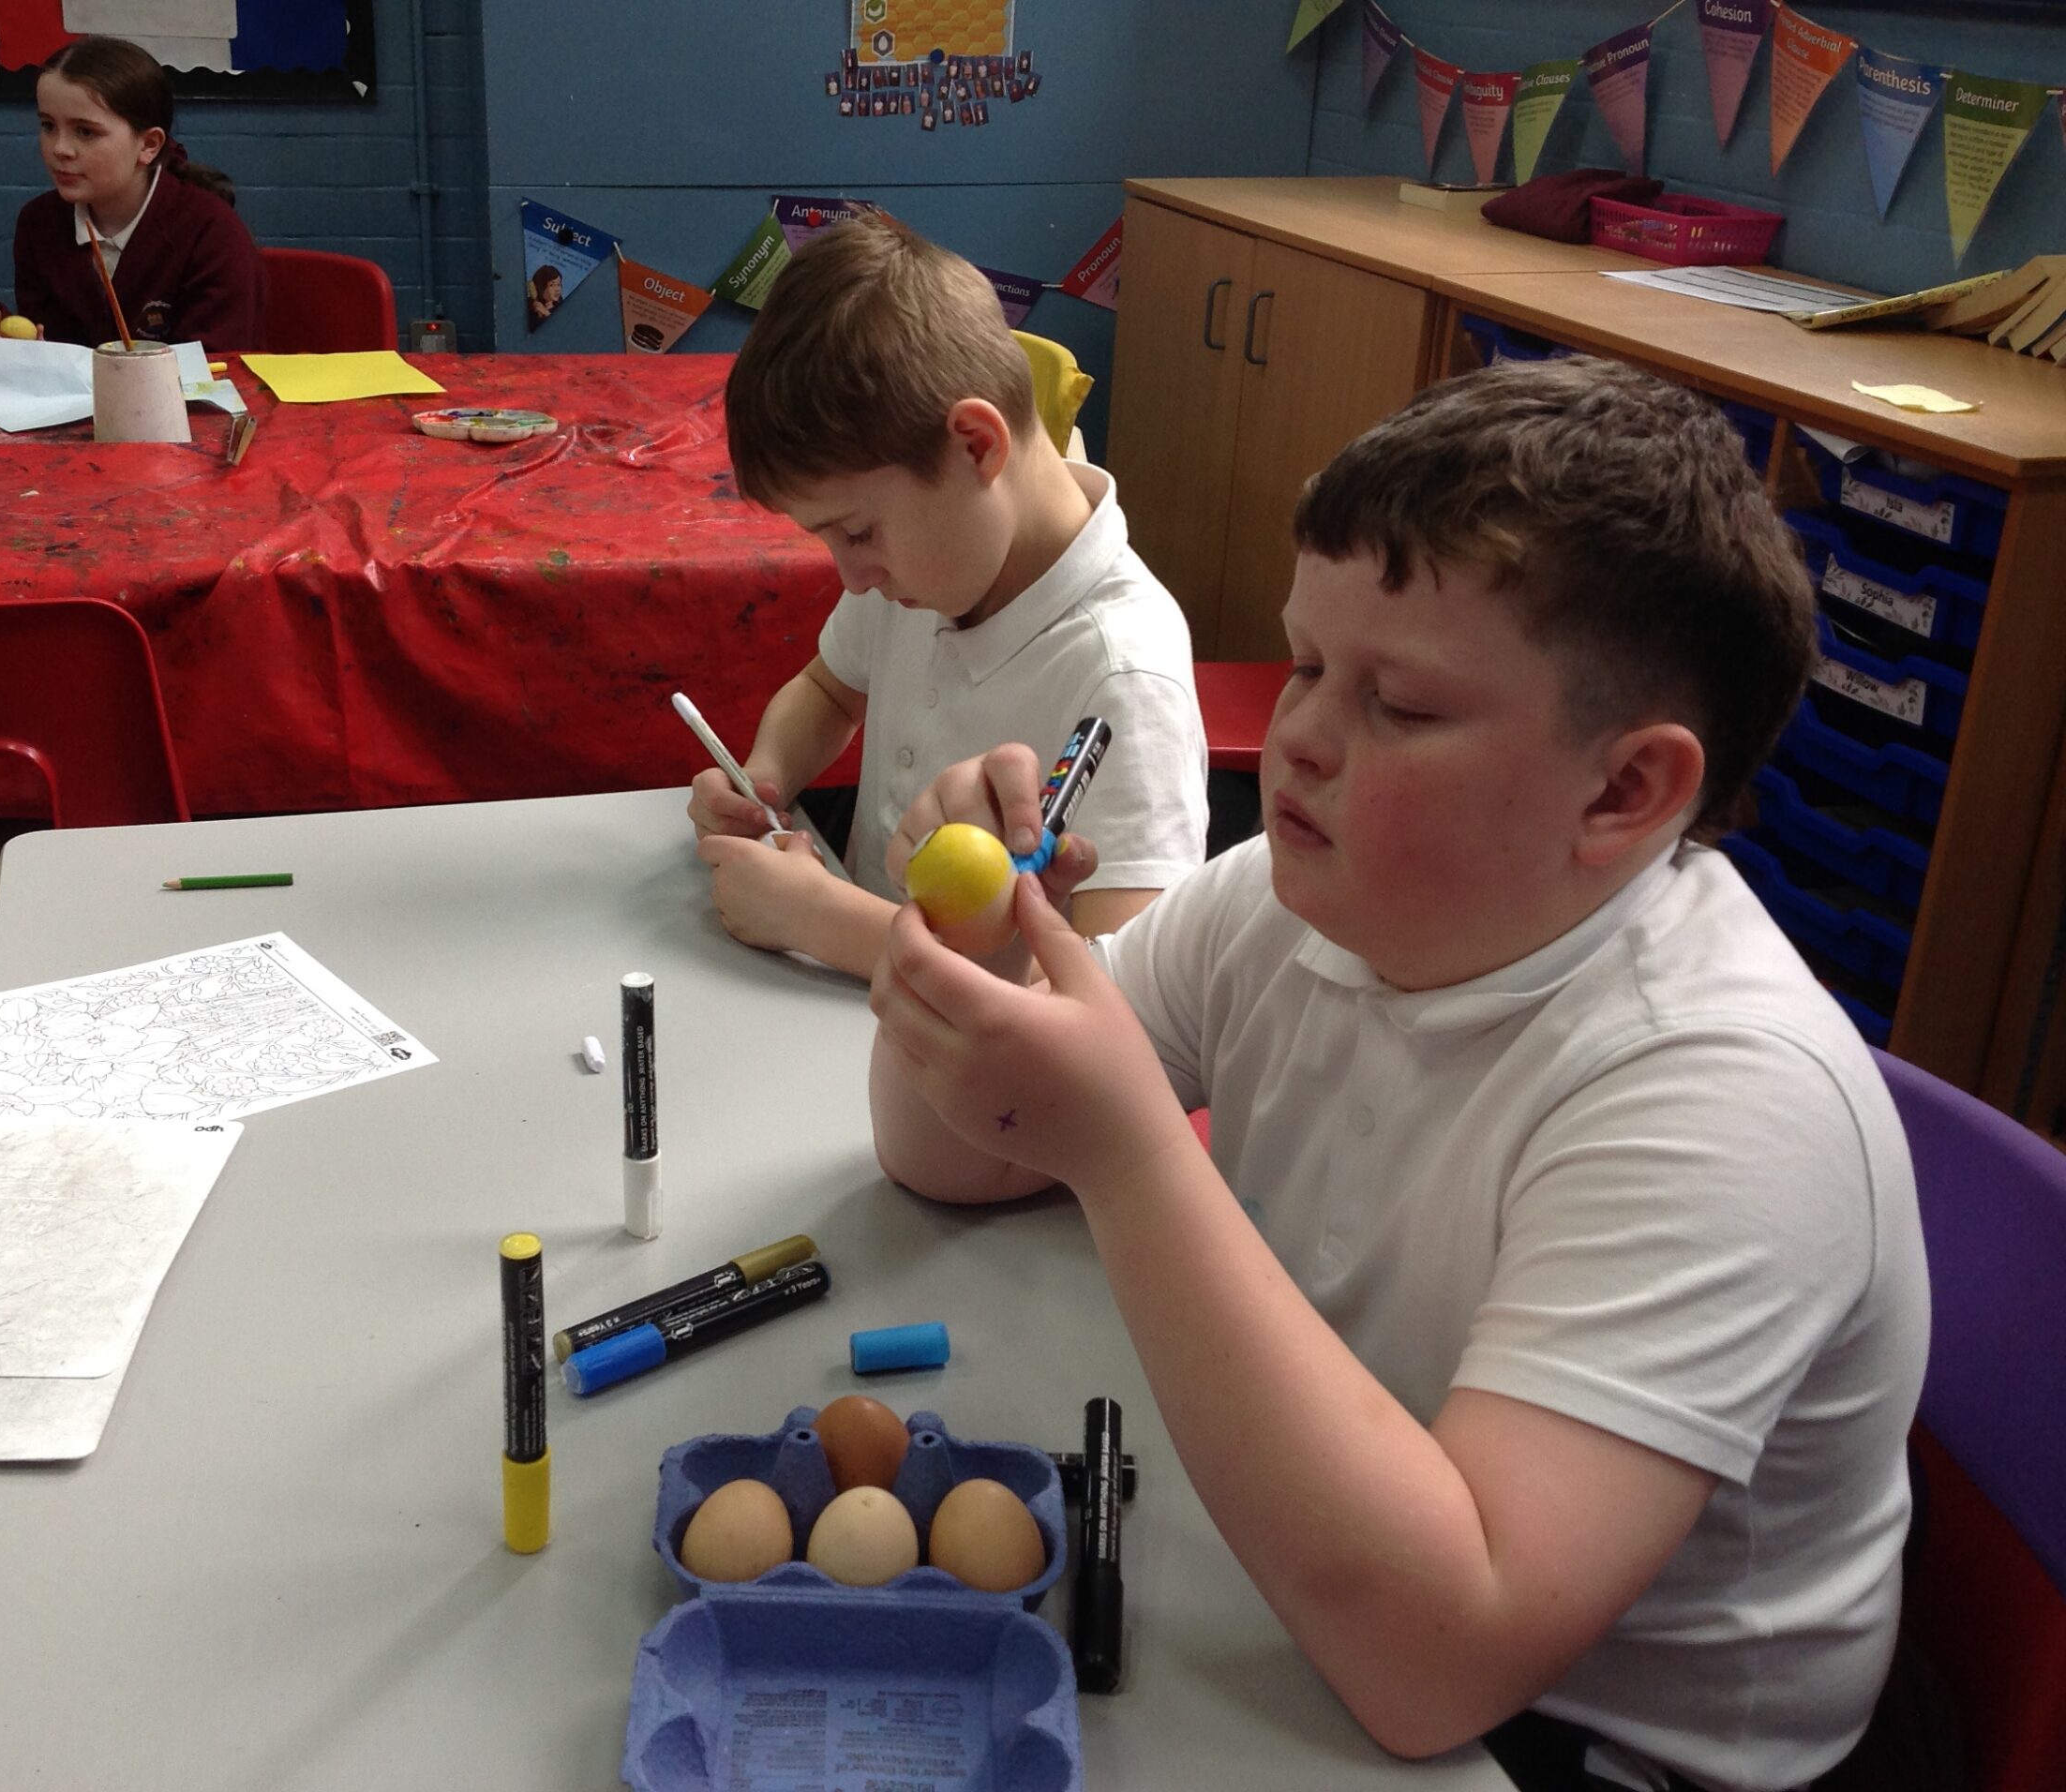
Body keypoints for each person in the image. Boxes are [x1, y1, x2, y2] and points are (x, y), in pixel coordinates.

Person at [866, 357, 1931, 1792]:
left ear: (1625, 791)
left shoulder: (1726, 1102)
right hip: (1343, 1584)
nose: (1297, 738)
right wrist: (979, 948)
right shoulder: (1293, 902)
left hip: (1567, 1741)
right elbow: (951, 1157)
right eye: (1308, 664)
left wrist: (1128, 1153)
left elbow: (1440, 1665)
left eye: (1403, 708)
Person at [693, 210, 1206, 980]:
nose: (851, 576)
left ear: (976, 446)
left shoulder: (1123, 674)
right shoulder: (923, 570)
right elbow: (829, 693)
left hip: (974, 1050)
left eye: (857, 533)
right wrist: (763, 783)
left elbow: (1121, 998)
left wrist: (824, 921)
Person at [0, 37, 261, 349]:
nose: (60, 148)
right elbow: (57, 356)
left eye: (85, 132)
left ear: (149, 145)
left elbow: (216, 369)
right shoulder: (39, 223)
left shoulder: (212, 231)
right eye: (48, 126)